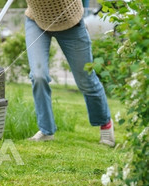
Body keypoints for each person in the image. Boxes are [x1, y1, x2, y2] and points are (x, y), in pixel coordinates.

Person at [24, 0, 115, 147]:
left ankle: (105, 123)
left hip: (70, 22)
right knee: (38, 75)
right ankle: (46, 130)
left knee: (85, 79)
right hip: (37, 20)